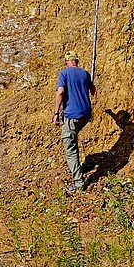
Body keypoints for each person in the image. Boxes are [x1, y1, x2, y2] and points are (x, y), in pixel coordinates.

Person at [52, 49, 96, 192]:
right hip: (85, 115)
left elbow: (60, 92)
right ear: (77, 61)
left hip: (71, 115)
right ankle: (77, 167)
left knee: (70, 149)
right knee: (73, 138)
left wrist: (56, 112)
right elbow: (93, 90)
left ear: (66, 62)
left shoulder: (64, 73)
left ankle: (79, 183)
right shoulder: (85, 74)